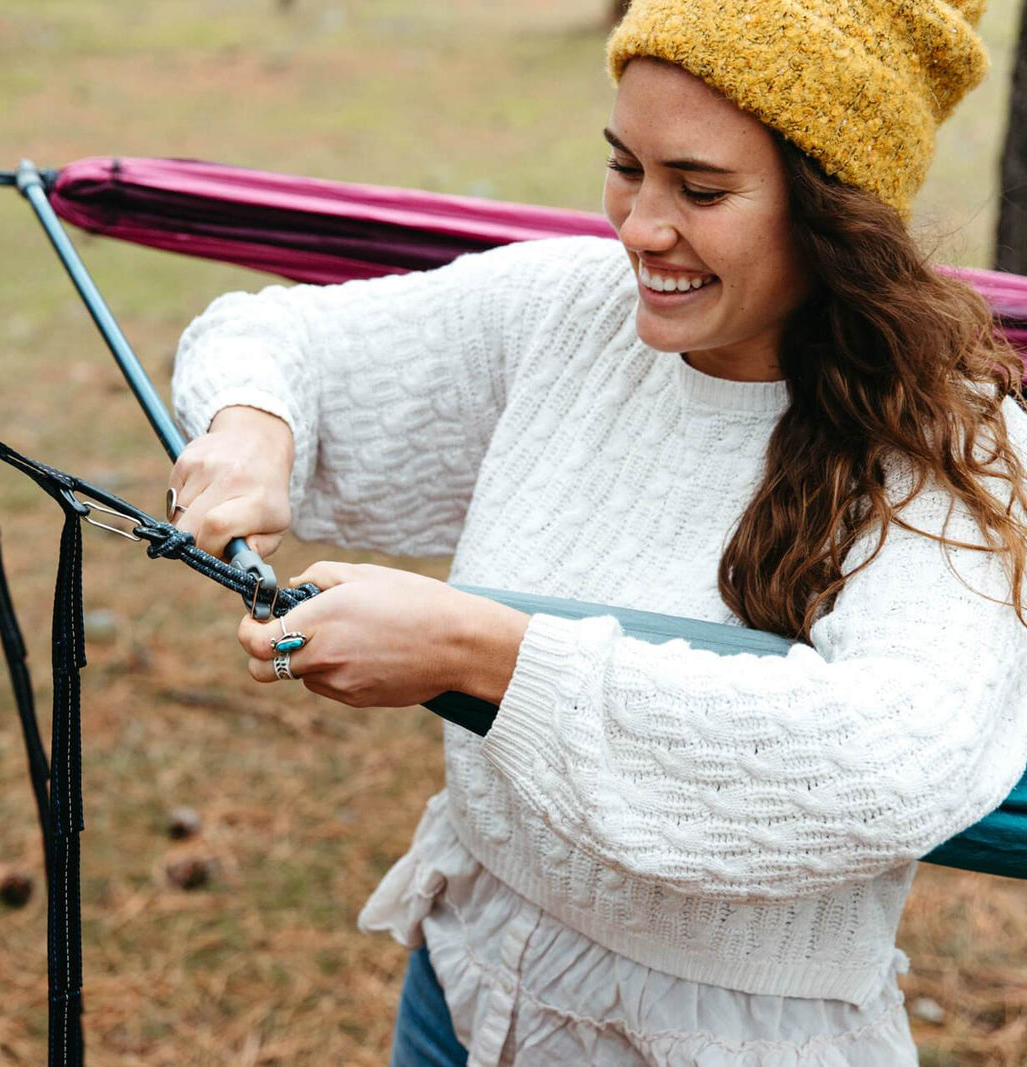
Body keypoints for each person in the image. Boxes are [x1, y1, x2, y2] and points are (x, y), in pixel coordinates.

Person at [164, 1, 1027, 1064]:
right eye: (626, 167)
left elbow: (885, 757)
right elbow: (267, 335)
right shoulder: (569, 313)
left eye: (699, 189)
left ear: (832, 206)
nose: (639, 226)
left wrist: (478, 652)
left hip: (720, 1037)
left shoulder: (955, 446)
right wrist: (256, 426)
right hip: (466, 976)